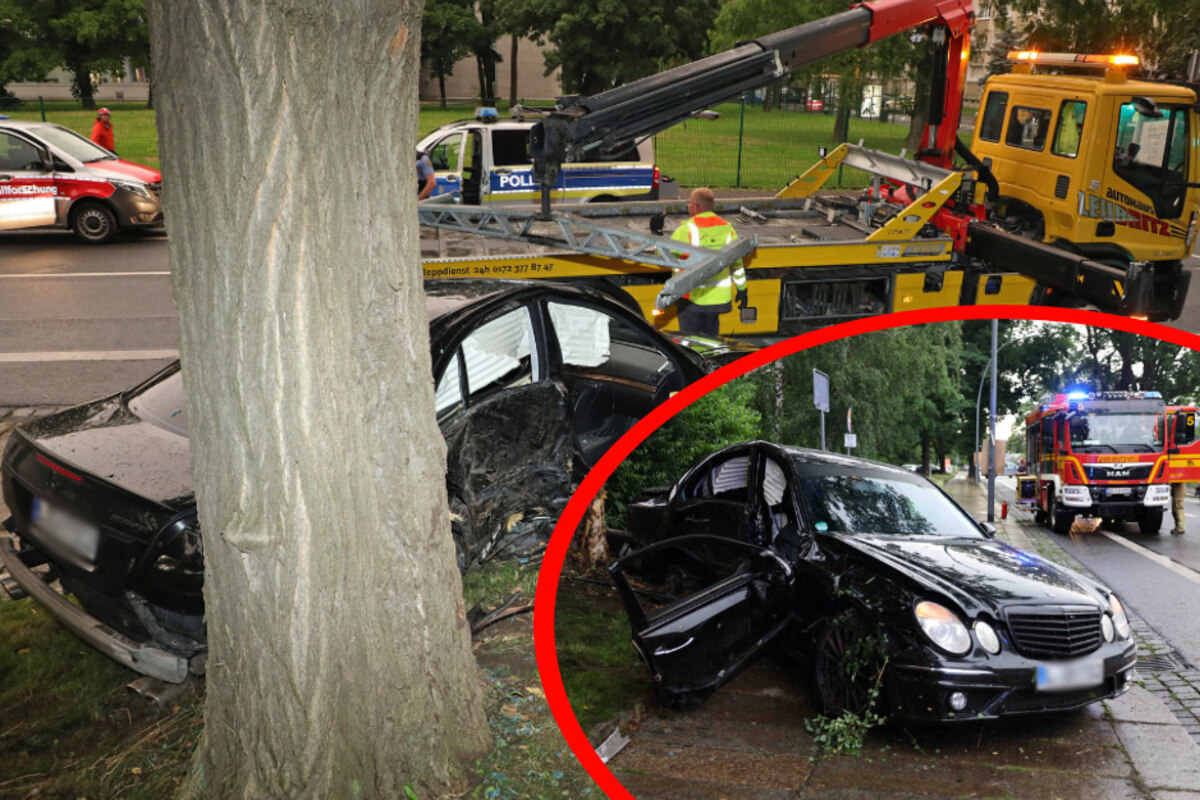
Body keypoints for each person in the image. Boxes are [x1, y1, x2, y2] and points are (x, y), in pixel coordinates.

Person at [669, 187, 748, 335]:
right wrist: (742, 289)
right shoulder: (727, 230)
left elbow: (665, 253)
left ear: (696, 207)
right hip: (717, 302)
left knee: (690, 344)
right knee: (711, 343)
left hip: (692, 299)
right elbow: (737, 264)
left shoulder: (687, 230)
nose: (688, 205)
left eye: (689, 202)